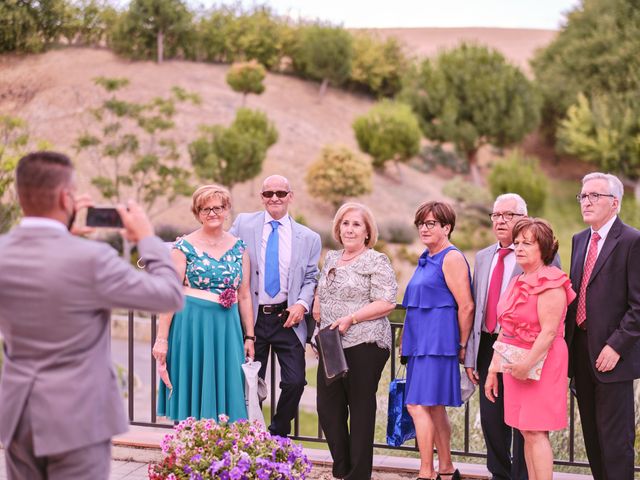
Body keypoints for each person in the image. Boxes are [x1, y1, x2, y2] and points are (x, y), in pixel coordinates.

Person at [0, 151, 184, 480]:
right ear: (65, 197)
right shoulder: (92, 259)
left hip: (17, 416)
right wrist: (147, 239)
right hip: (77, 418)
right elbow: (168, 294)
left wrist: (65, 236)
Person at [229, 174, 321, 437]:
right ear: (262, 197)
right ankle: (251, 436)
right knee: (248, 383)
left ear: (290, 196)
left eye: (280, 193)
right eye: (268, 194)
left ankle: (278, 433)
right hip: (251, 319)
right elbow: (221, 249)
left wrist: (302, 304)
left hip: (288, 318)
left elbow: (311, 277)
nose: (275, 198)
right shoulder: (244, 224)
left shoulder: (309, 237)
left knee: (294, 381)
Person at [154, 185, 255, 422]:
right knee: (192, 388)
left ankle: (222, 454)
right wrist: (162, 339)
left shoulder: (240, 248)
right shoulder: (183, 247)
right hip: (191, 326)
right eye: (205, 209)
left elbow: (244, 295)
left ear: (226, 210)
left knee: (227, 390)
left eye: (217, 208)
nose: (212, 213)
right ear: (197, 213)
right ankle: (190, 450)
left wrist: (249, 336)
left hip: (227, 329)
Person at [485, 218, 575, 480]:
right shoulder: (516, 282)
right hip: (515, 361)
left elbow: (548, 333)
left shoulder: (552, 281)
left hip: (544, 362)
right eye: (517, 243)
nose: (520, 248)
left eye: (528, 243)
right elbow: (506, 329)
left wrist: (527, 365)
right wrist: (493, 368)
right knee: (525, 431)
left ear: (544, 248)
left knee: (536, 431)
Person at [313, 202, 397, 480]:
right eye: (345, 223)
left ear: (367, 231)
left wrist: (353, 319)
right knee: (328, 409)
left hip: (365, 342)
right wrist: (317, 305)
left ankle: (358, 474)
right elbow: (324, 292)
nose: (349, 229)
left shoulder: (376, 260)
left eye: (356, 224)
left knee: (360, 409)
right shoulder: (332, 258)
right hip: (331, 344)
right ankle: (342, 468)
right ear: (338, 228)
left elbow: (386, 301)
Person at [564, 172, 640, 480]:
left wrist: (616, 345)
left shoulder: (633, 240)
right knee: (592, 439)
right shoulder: (580, 239)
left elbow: (638, 305)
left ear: (615, 203)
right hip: (581, 352)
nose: (586, 201)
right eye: (583, 195)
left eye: (594, 195)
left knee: (616, 442)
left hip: (613, 357)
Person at [401, 201, 474, 480]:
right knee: (433, 406)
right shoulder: (426, 256)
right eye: (421, 223)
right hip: (421, 343)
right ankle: (445, 467)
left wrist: (462, 345)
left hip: (438, 343)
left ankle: (425, 471)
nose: (424, 228)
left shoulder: (451, 257)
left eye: (431, 223)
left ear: (447, 227)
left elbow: (466, 306)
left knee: (416, 405)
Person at [464, 193, 529, 480]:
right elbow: (476, 309)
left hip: (520, 345)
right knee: (492, 419)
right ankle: (499, 475)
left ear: (523, 218)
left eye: (508, 215)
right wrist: (469, 355)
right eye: (496, 215)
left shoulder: (539, 253)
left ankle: (521, 476)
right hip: (487, 346)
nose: (501, 220)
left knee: (522, 419)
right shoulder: (483, 256)